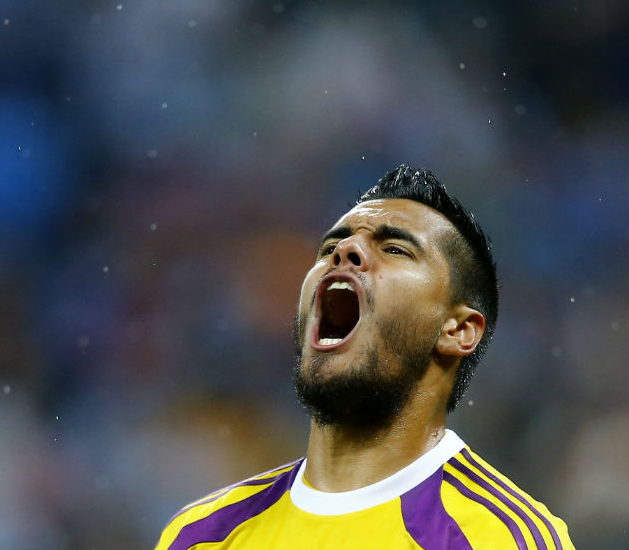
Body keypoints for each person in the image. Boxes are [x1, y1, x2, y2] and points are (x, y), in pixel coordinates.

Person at [155, 165, 574, 550]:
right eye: (331, 246)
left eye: (395, 249)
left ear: (458, 330)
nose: (346, 250)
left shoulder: (497, 538)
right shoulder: (201, 535)